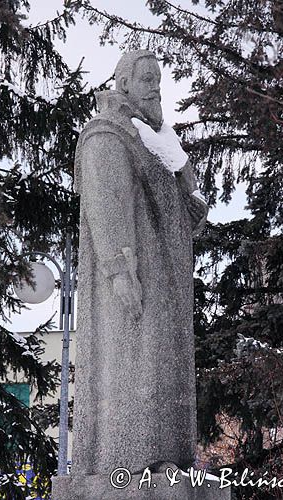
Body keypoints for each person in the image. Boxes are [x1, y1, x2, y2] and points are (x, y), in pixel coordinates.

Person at [71, 50, 208, 477]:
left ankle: (170, 455)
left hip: (165, 280)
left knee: (164, 363)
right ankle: (134, 459)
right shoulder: (108, 133)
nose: (155, 86)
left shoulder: (156, 140)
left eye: (158, 78)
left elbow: (188, 213)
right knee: (137, 362)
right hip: (133, 279)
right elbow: (105, 200)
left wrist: (186, 180)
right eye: (146, 78)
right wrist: (118, 270)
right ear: (124, 84)